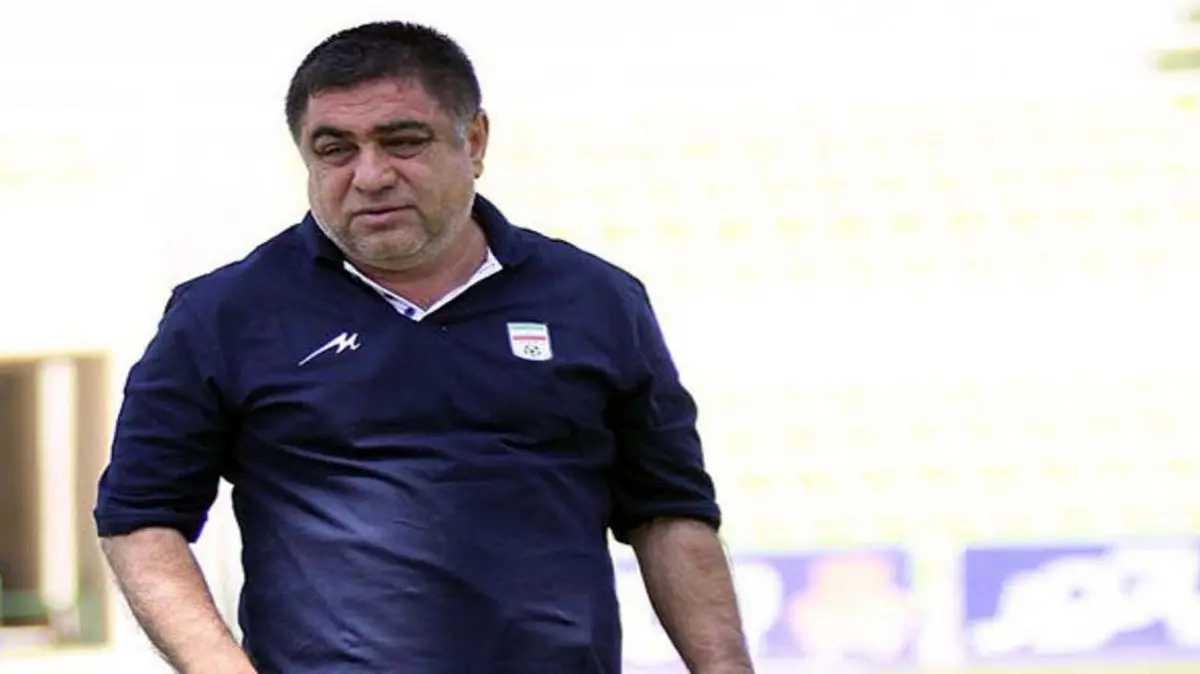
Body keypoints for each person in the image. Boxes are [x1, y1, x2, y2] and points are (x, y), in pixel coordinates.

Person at [93, 20, 753, 674]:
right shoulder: (221, 315)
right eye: (335, 150)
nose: (370, 175)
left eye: (402, 141)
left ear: (475, 141)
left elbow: (669, 514)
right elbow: (140, 518)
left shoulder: (596, 299)